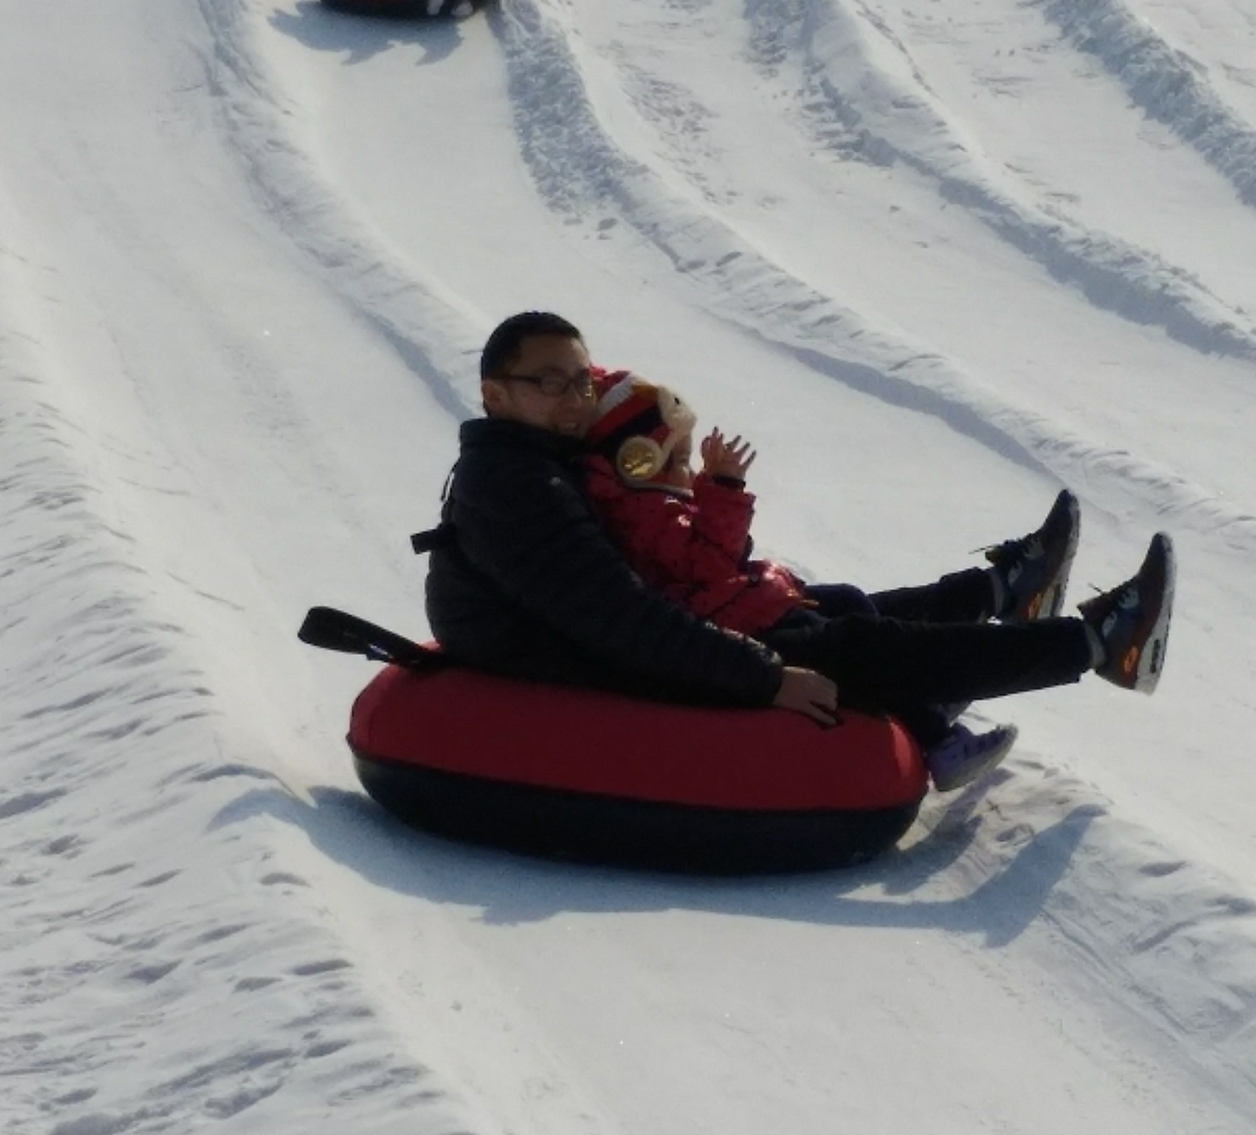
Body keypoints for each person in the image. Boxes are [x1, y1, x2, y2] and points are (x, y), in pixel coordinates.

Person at [415, 312, 1173, 744]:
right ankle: (1100, 644)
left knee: (832, 608)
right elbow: (617, 617)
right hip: (608, 667)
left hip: (659, 630)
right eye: (549, 383)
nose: (573, 397)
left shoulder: (544, 465)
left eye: (580, 379)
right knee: (854, 647)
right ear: (495, 394)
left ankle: (1008, 591)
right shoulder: (513, 485)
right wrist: (764, 677)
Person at [578, 367, 1074, 789]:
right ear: (637, 462)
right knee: (862, 641)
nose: (687, 471)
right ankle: (937, 738)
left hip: (743, 605)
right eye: (679, 460)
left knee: (852, 601)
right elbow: (708, 563)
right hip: (740, 627)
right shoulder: (645, 514)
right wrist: (722, 489)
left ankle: (1007, 591)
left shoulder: (644, 502)